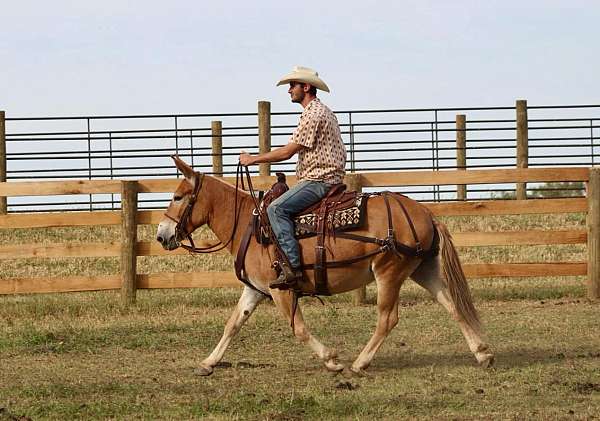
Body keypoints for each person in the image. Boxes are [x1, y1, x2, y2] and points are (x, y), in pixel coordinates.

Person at [239, 66, 347, 290]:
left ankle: (292, 267)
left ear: (306, 87)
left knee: (275, 209)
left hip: (319, 181)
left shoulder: (313, 114)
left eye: (292, 86)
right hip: (326, 178)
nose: (289, 90)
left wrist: (253, 159)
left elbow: (287, 152)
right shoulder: (323, 111)